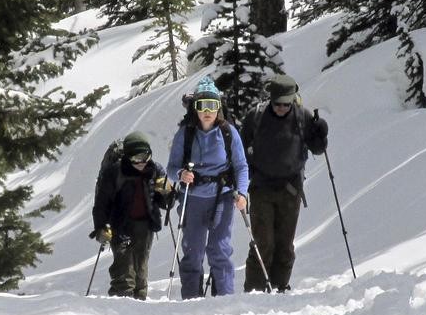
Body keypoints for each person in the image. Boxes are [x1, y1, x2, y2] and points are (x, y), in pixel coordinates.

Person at [239, 74, 329, 292]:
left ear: (293, 100)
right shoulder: (256, 117)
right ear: (270, 99)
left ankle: (280, 286)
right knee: (263, 243)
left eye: (286, 104)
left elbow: (317, 149)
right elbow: (240, 149)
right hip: (261, 188)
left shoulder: (302, 116)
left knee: (285, 245)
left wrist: (321, 135)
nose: (281, 108)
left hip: (290, 190)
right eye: (277, 103)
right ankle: (256, 289)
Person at [166, 76, 249, 299]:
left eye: (212, 105)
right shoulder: (186, 133)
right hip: (192, 199)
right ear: (195, 108)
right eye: (202, 105)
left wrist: (242, 193)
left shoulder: (228, 132)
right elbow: (171, 167)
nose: (207, 111)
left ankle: (225, 300)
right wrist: (181, 175)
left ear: (218, 107)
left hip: (221, 197)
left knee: (219, 249)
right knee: (193, 251)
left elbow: (241, 166)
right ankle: (191, 300)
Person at [91, 131, 173, 299]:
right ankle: (121, 300)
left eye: (145, 156)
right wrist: (101, 226)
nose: (141, 162)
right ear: (127, 157)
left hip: (145, 225)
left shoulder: (155, 170)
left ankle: (139, 302)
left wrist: (166, 192)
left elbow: (168, 203)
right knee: (124, 268)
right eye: (136, 158)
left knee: (141, 268)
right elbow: (101, 203)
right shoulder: (114, 172)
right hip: (119, 224)